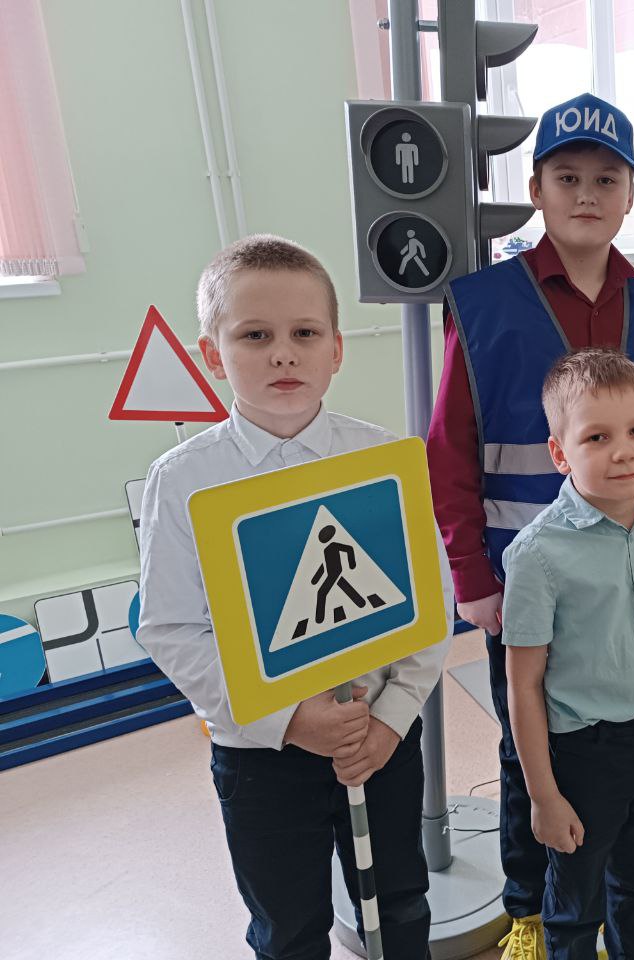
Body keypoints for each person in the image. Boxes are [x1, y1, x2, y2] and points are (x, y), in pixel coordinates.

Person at [137, 234, 453, 960]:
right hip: (261, 756)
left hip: (378, 735)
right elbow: (172, 628)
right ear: (213, 354)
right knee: (287, 928)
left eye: (305, 334)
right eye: (255, 336)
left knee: (400, 903)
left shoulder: (380, 460)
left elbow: (428, 603)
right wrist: (289, 720)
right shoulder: (184, 480)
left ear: (336, 350)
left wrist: (391, 720)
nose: (283, 354)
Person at [426, 93, 634, 960]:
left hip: (627, 580)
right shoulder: (484, 303)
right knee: (525, 744)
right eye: (567, 177)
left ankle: (617, 906)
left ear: (630, 194)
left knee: (618, 743)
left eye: (606, 180)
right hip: (521, 584)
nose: (586, 195)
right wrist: (472, 579)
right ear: (535, 190)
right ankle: (529, 910)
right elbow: (449, 450)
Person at [502, 348, 634, 960]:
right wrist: (544, 796)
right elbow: (523, 686)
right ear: (560, 453)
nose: (624, 451)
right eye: (597, 437)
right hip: (582, 753)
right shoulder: (537, 555)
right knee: (575, 900)